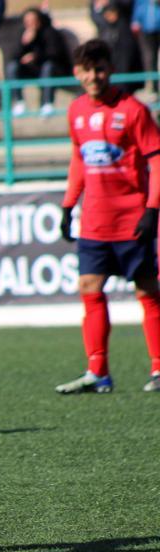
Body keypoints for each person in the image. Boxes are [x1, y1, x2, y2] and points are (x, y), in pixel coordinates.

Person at [55, 39, 160, 395]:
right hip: (96, 220)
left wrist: (151, 209)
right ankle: (98, 372)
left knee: (147, 291)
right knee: (89, 288)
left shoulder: (133, 110)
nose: (94, 76)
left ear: (110, 70)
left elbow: (157, 162)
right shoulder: (76, 111)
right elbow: (79, 160)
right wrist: (69, 205)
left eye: (99, 69)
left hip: (132, 217)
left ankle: (159, 369)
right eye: (87, 70)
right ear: (77, 73)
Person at [7, 8, 71, 117]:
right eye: (27, 21)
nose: (30, 23)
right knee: (12, 67)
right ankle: (19, 102)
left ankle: (47, 103)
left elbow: (55, 54)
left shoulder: (50, 32)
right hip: (29, 70)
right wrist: (24, 43)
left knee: (48, 67)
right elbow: (13, 56)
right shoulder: (22, 33)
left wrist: (37, 57)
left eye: (33, 20)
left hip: (49, 69)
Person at [100, 2, 145, 92]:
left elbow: (127, 55)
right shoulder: (106, 30)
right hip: (113, 72)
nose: (109, 16)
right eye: (107, 14)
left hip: (125, 74)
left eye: (112, 13)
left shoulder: (125, 31)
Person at [132, 0, 160, 96]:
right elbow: (138, 5)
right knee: (149, 59)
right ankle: (153, 88)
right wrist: (135, 20)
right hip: (146, 29)